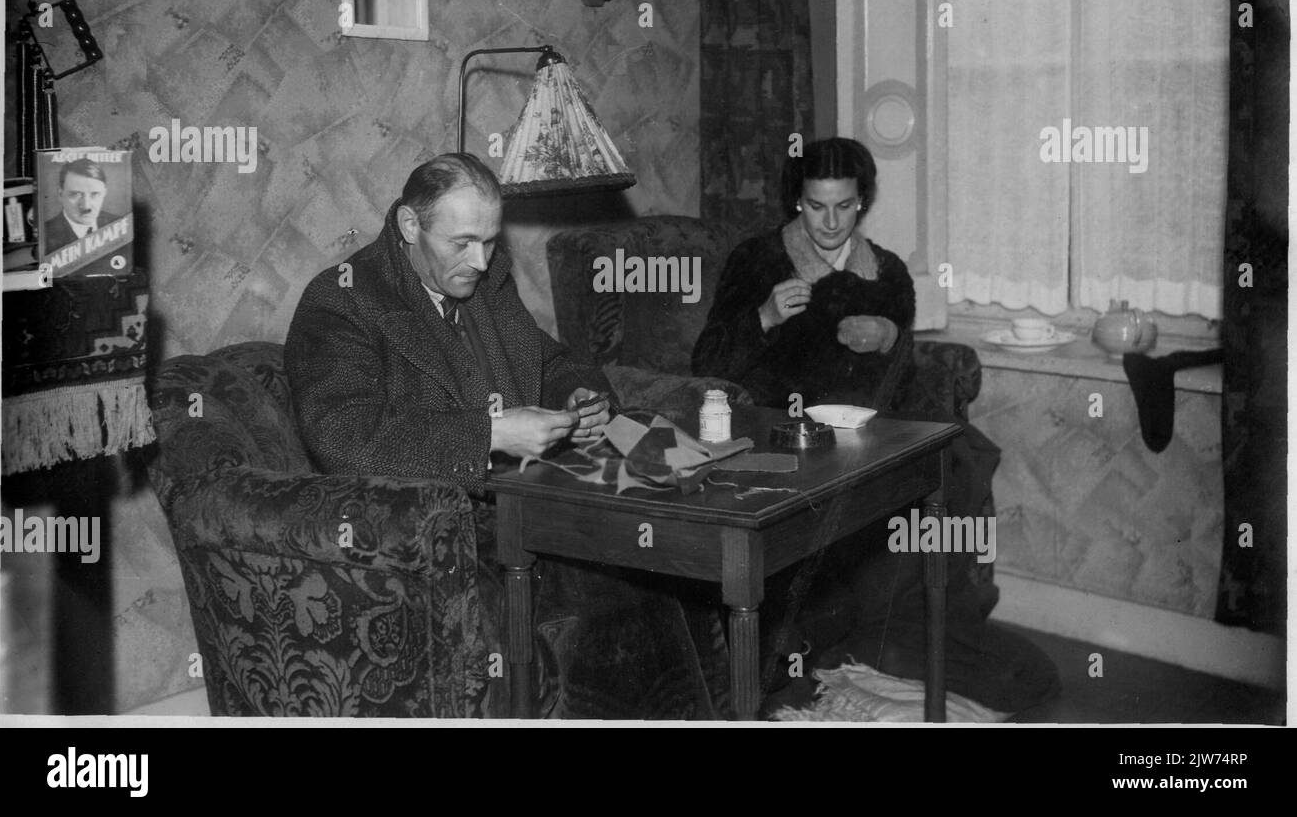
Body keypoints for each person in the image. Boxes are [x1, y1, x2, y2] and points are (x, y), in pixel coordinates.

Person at [285, 153, 728, 719]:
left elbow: (552, 358)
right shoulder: (344, 300)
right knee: (627, 585)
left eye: (492, 241)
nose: (481, 260)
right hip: (444, 530)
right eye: (463, 242)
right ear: (408, 226)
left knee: (675, 558)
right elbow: (345, 438)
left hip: (532, 506)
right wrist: (491, 433)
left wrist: (579, 395)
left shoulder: (487, 284)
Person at [693, 137, 1059, 715]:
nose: (831, 222)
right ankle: (873, 641)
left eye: (844, 206)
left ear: (862, 202)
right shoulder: (758, 260)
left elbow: (900, 368)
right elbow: (707, 362)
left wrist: (891, 339)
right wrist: (762, 316)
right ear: (798, 202)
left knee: (959, 459)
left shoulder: (886, 271)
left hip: (866, 432)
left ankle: (930, 631)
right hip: (784, 432)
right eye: (816, 206)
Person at [42, 159, 120, 253]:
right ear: (60, 194)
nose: (86, 206)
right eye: (76, 194)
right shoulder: (45, 234)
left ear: (104, 193)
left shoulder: (119, 225)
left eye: (95, 194)